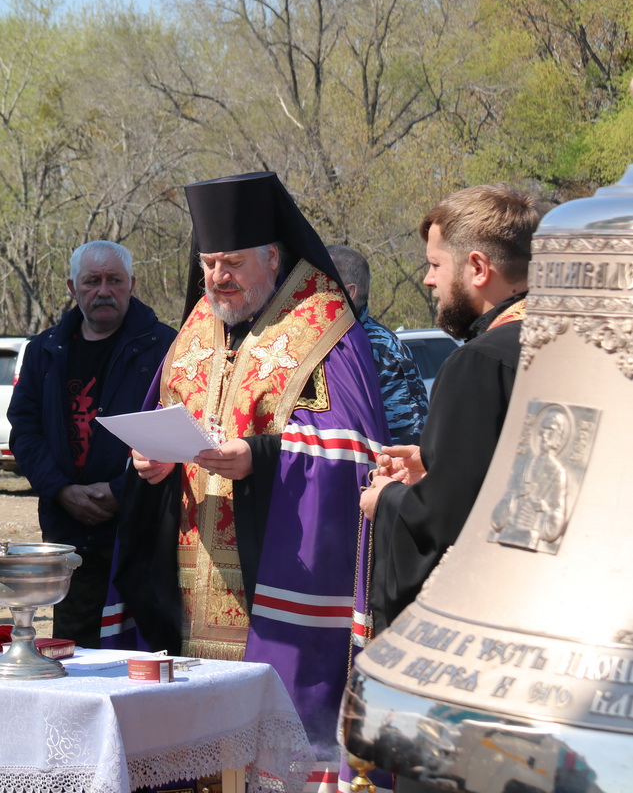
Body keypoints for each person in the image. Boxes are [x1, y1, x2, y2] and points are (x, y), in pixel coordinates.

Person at [112, 172, 389, 776]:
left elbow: (355, 452)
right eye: (209, 264)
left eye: (233, 263)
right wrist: (151, 462)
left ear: (273, 258)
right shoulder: (195, 329)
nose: (217, 278)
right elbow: (166, 416)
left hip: (271, 571)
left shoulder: (324, 326)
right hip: (187, 571)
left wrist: (259, 458)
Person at [360, 183, 541, 634]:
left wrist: (386, 501)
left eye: (436, 264)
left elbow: (444, 523)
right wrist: (435, 461)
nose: (428, 280)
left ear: (477, 267)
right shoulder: (573, 339)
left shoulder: (480, 362)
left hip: (493, 617)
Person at [7, 240, 176, 648]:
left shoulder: (166, 347)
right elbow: (24, 430)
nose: (103, 291)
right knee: (74, 646)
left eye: (114, 280)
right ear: (72, 287)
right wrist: (61, 489)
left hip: (141, 528)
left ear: (132, 283)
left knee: (145, 646)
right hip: (68, 530)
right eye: (92, 281)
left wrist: (121, 491)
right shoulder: (45, 350)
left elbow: (176, 431)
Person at [327, 243, 429, 444]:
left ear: (350, 292)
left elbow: (407, 438)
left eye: (323, 283)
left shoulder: (385, 351)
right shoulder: (319, 340)